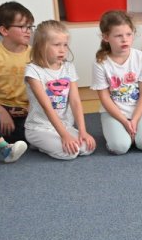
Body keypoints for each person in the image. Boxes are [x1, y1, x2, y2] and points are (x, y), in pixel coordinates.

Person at [24, 20, 96, 160]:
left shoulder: (68, 67)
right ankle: (38, 143)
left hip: (64, 125)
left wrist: (82, 131)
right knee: (70, 153)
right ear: (41, 46)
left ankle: (51, 141)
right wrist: (64, 136)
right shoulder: (33, 71)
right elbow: (46, 106)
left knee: (87, 148)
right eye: (56, 45)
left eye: (65, 45)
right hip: (39, 127)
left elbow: (75, 101)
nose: (62, 50)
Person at [90, 10, 142, 155]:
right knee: (119, 148)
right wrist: (124, 121)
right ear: (106, 37)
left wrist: (134, 120)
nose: (125, 40)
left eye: (128, 34)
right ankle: (121, 135)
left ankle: (132, 134)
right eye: (118, 36)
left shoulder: (141, 58)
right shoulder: (100, 63)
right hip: (113, 112)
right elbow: (105, 98)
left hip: (138, 110)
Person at [0, 1, 34, 158]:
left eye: (30, 27)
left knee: (31, 137)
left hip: (24, 115)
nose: (28, 32)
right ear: (4, 30)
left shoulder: (35, 55)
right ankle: (4, 147)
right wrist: (1, 111)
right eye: (22, 27)